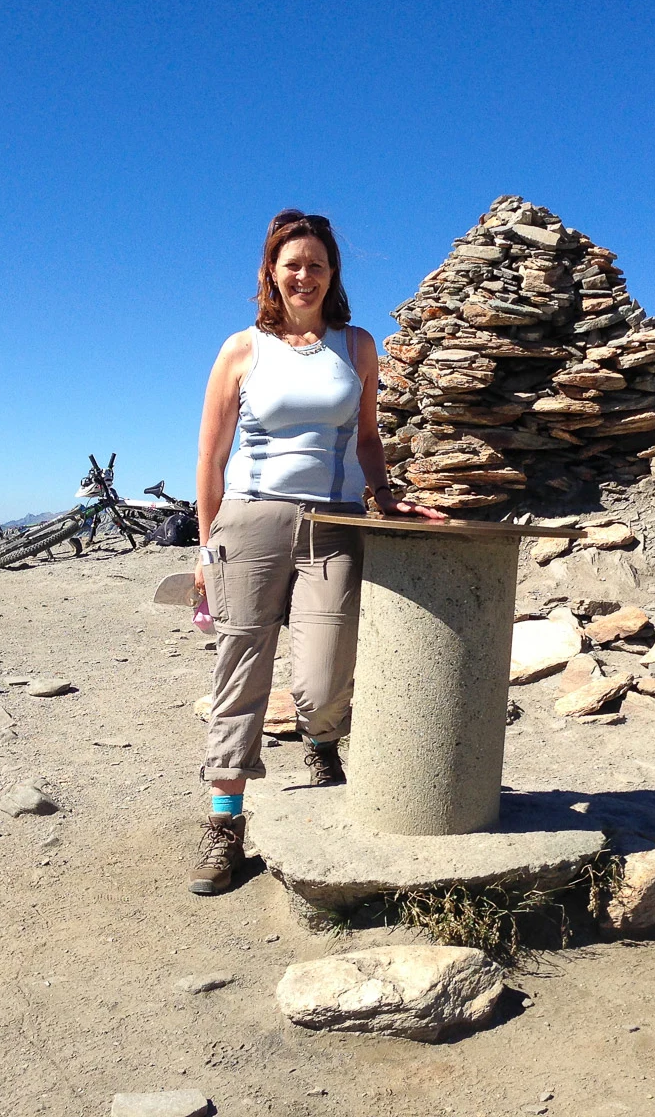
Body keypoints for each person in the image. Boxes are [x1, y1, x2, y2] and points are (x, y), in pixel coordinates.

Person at [188, 209, 444, 896]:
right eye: (292, 264)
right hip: (248, 524)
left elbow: (366, 439)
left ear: (333, 275)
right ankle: (223, 823)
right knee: (240, 674)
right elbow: (211, 458)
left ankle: (321, 746)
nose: (304, 275)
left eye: (317, 265)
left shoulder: (357, 345)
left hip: (332, 524)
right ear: (271, 272)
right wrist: (205, 547)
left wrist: (385, 493)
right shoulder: (241, 349)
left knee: (326, 678)